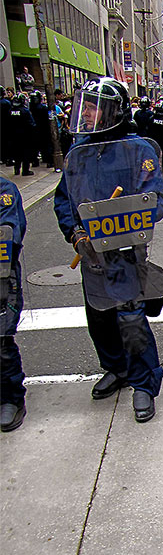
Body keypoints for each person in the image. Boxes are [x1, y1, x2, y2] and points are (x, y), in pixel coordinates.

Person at [54, 78, 163, 422]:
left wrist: (121, 221)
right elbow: (64, 199)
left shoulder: (138, 150)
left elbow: (156, 200)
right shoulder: (79, 153)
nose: (85, 113)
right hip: (91, 254)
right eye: (83, 106)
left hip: (125, 253)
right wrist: (74, 233)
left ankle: (145, 384)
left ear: (111, 110)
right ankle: (116, 368)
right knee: (99, 316)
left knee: (131, 319)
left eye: (92, 106)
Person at [0, 178, 27, 432]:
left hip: (1, 277)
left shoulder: (4, 192)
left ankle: (11, 397)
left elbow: (9, 234)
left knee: (1, 341)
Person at [8, 93, 36, 176]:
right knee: (25, 154)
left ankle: (16, 169)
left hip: (14, 136)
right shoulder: (25, 111)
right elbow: (32, 124)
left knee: (17, 153)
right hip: (25, 136)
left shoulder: (10, 111)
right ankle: (25, 170)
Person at [29, 90, 53, 167]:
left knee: (35, 147)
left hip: (34, 130)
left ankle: (35, 162)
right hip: (43, 129)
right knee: (46, 146)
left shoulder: (30, 108)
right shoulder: (42, 107)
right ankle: (49, 161)